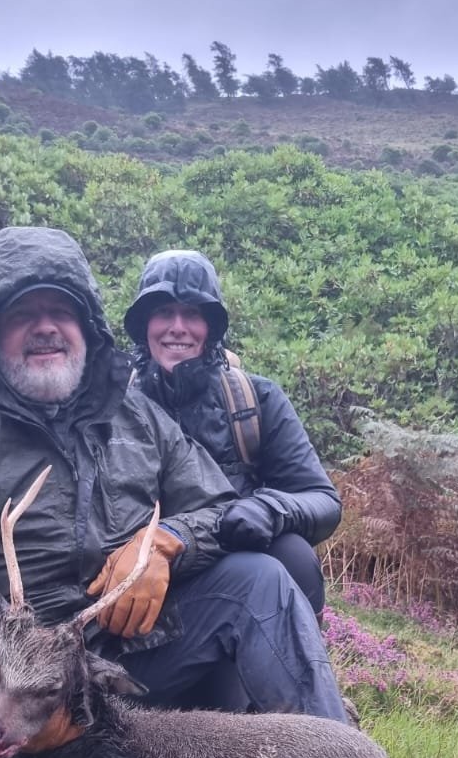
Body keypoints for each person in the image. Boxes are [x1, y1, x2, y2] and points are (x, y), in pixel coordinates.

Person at [0, 225, 348, 758]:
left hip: (134, 650)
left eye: (62, 310)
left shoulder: (136, 416)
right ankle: (161, 755)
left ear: (87, 328)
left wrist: (168, 539)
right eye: (22, 312)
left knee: (261, 578)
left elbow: (218, 506)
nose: (46, 326)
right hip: (19, 679)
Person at [123, 249, 340, 619]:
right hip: (140, 574)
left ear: (211, 327)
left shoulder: (255, 399)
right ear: (145, 324)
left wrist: (266, 509)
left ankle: (296, 661)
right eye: (163, 312)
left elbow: (322, 500)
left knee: (294, 556)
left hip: (235, 565)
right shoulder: (114, 408)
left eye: (192, 313)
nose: (178, 326)